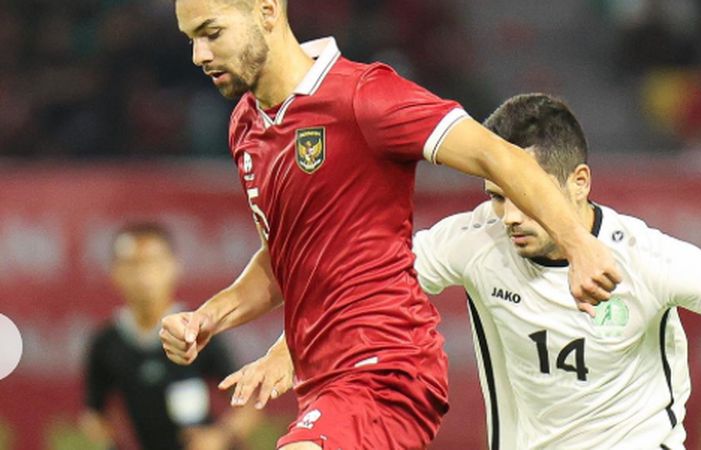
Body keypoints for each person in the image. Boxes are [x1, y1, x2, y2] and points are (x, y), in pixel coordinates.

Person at [222, 94, 701, 449]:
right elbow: (365, 289)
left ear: (578, 183)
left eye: (526, 194)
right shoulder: (473, 240)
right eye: (496, 194)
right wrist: (286, 350)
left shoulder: (649, 260)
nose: (509, 215)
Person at [160, 1, 622, 449]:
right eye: (190, 39)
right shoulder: (246, 126)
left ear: (266, 12)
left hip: (386, 372)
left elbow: (496, 155)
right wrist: (208, 318)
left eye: (211, 33)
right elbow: (283, 256)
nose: (199, 55)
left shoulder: (364, 95)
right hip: (323, 384)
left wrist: (578, 244)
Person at [81, 223, 259, 450]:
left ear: (173, 266)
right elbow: (94, 413)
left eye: (152, 263)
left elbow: (247, 404)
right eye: (132, 264)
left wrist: (219, 437)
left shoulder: (198, 331)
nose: (143, 275)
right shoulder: (106, 343)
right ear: (115, 271)